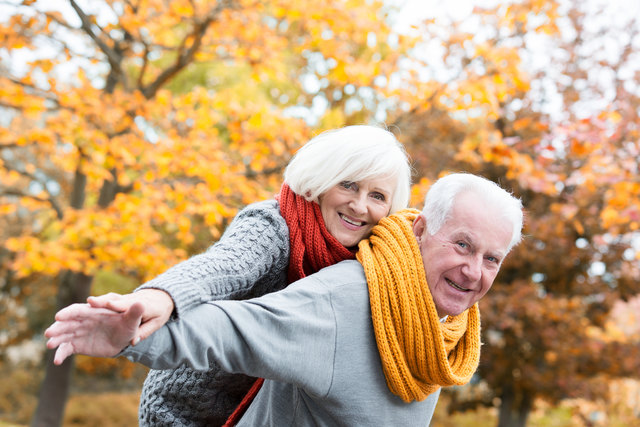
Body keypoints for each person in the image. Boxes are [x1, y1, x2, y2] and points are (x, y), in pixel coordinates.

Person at [45, 173, 524, 426]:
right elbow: (233, 328)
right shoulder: (347, 300)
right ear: (421, 230)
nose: (473, 271)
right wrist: (126, 335)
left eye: (491, 259)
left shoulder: (440, 329)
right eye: (462, 245)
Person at [80, 125, 412, 426]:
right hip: (183, 414)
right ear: (323, 182)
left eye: (377, 196)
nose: (359, 205)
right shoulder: (275, 225)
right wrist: (160, 295)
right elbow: (226, 265)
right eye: (348, 185)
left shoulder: (368, 262)